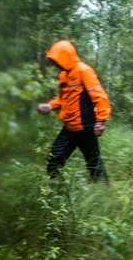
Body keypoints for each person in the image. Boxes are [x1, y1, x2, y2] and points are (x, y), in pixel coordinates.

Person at [37, 40, 111, 183]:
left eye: (56, 60)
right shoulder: (63, 76)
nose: (56, 65)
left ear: (65, 57)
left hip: (86, 128)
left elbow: (99, 96)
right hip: (69, 128)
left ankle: (105, 195)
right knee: (53, 160)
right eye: (54, 61)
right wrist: (50, 106)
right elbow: (62, 99)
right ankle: (58, 193)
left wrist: (101, 120)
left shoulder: (83, 70)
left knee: (94, 164)